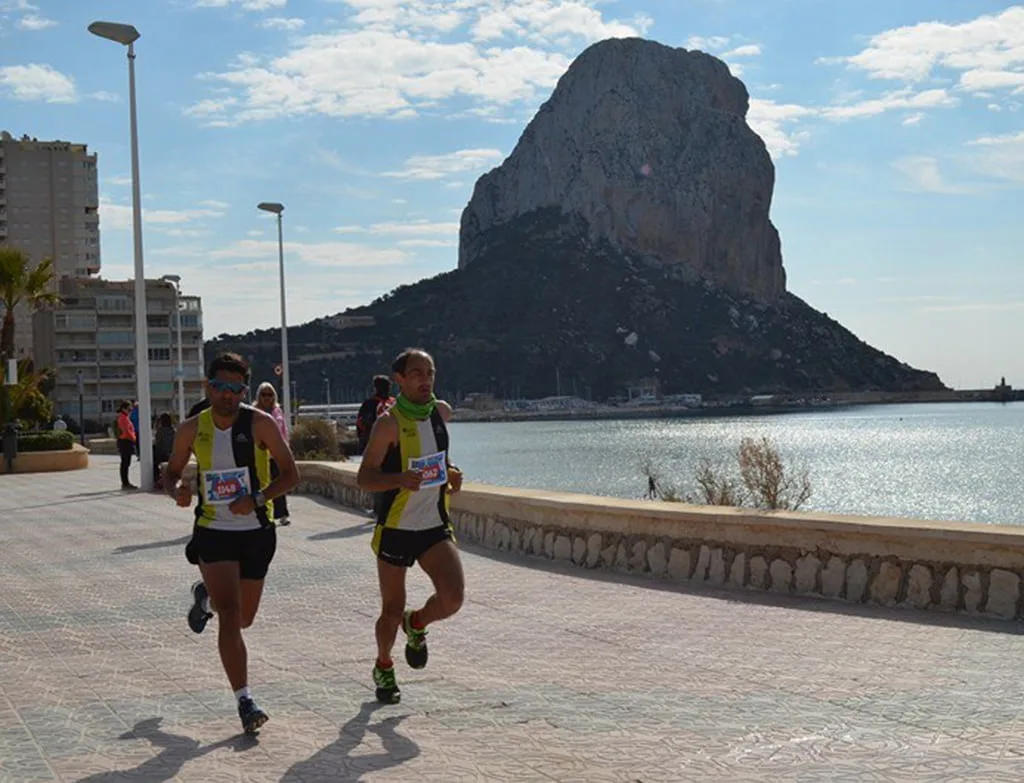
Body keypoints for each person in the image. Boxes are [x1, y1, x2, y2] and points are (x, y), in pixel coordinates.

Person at [163, 352, 299, 735]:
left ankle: (202, 597)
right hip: (213, 531)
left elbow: (291, 475)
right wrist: (178, 492)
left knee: (244, 618)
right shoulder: (191, 428)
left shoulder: (261, 424)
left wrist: (256, 500)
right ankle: (245, 700)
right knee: (229, 614)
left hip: (256, 531)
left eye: (236, 389)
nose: (228, 396)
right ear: (208, 387)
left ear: (244, 391)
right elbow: (171, 474)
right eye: (221, 387)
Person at [357, 348, 464, 704]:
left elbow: (438, 461)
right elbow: (365, 477)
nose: (425, 379)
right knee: (390, 609)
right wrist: (399, 479)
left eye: (430, 372)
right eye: (416, 372)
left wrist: (452, 473)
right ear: (399, 379)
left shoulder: (441, 413)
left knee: (452, 598)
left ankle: (416, 623)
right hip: (397, 528)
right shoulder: (388, 424)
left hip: (433, 524)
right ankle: (384, 665)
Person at [255, 381, 291, 526]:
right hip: (260, 455)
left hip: (276, 454)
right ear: (259, 396)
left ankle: (282, 514)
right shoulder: (254, 412)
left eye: (270, 394)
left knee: (279, 484)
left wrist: (286, 450)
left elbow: (284, 432)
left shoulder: (277, 411)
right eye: (264, 394)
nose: (267, 397)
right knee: (261, 485)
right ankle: (263, 513)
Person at [356, 375, 395, 455]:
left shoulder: (369, 404)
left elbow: (360, 424)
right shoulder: (394, 403)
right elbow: (361, 424)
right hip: (383, 442)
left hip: (379, 442)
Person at [115, 400, 137, 490]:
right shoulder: (123, 418)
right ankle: (125, 483)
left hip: (126, 441)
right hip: (125, 441)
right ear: (123, 409)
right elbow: (126, 431)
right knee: (125, 463)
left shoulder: (124, 417)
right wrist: (133, 438)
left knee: (126, 463)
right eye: (129, 409)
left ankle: (126, 482)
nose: (130, 411)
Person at [153, 413, 176, 488]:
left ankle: (157, 481)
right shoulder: (173, 431)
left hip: (159, 455)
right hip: (170, 455)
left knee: (154, 464)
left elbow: (157, 444)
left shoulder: (159, 432)